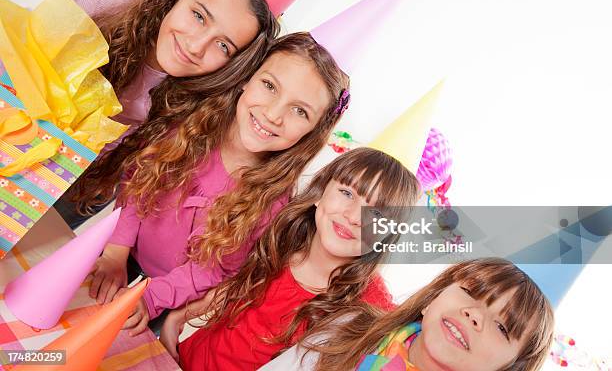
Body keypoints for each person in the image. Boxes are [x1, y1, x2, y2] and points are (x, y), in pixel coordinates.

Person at [81, 32, 351, 335]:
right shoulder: (191, 130)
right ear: (248, 77)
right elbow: (139, 181)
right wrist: (116, 251)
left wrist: (150, 299)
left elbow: (211, 269)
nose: (274, 115)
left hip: (166, 296)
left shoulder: (271, 201)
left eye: (300, 111)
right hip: (119, 251)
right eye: (269, 85)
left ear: (313, 130)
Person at [56, 0, 280, 228]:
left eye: (223, 45)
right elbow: (15, 63)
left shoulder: (202, 105)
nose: (196, 47)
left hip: (87, 182)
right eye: (198, 16)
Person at [166, 147, 421, 370]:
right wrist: (179, 317)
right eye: (347, 193)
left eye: (376, 214)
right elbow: (234, 286)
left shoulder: (371, 306)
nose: (353, 216)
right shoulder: (281, 235)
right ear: (321, 192)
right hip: (182, 360)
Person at [262, 258, 554, 371]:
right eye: (470, 292)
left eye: (503, 327)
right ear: (431, 300)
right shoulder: (348, 329)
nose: (474, 314)